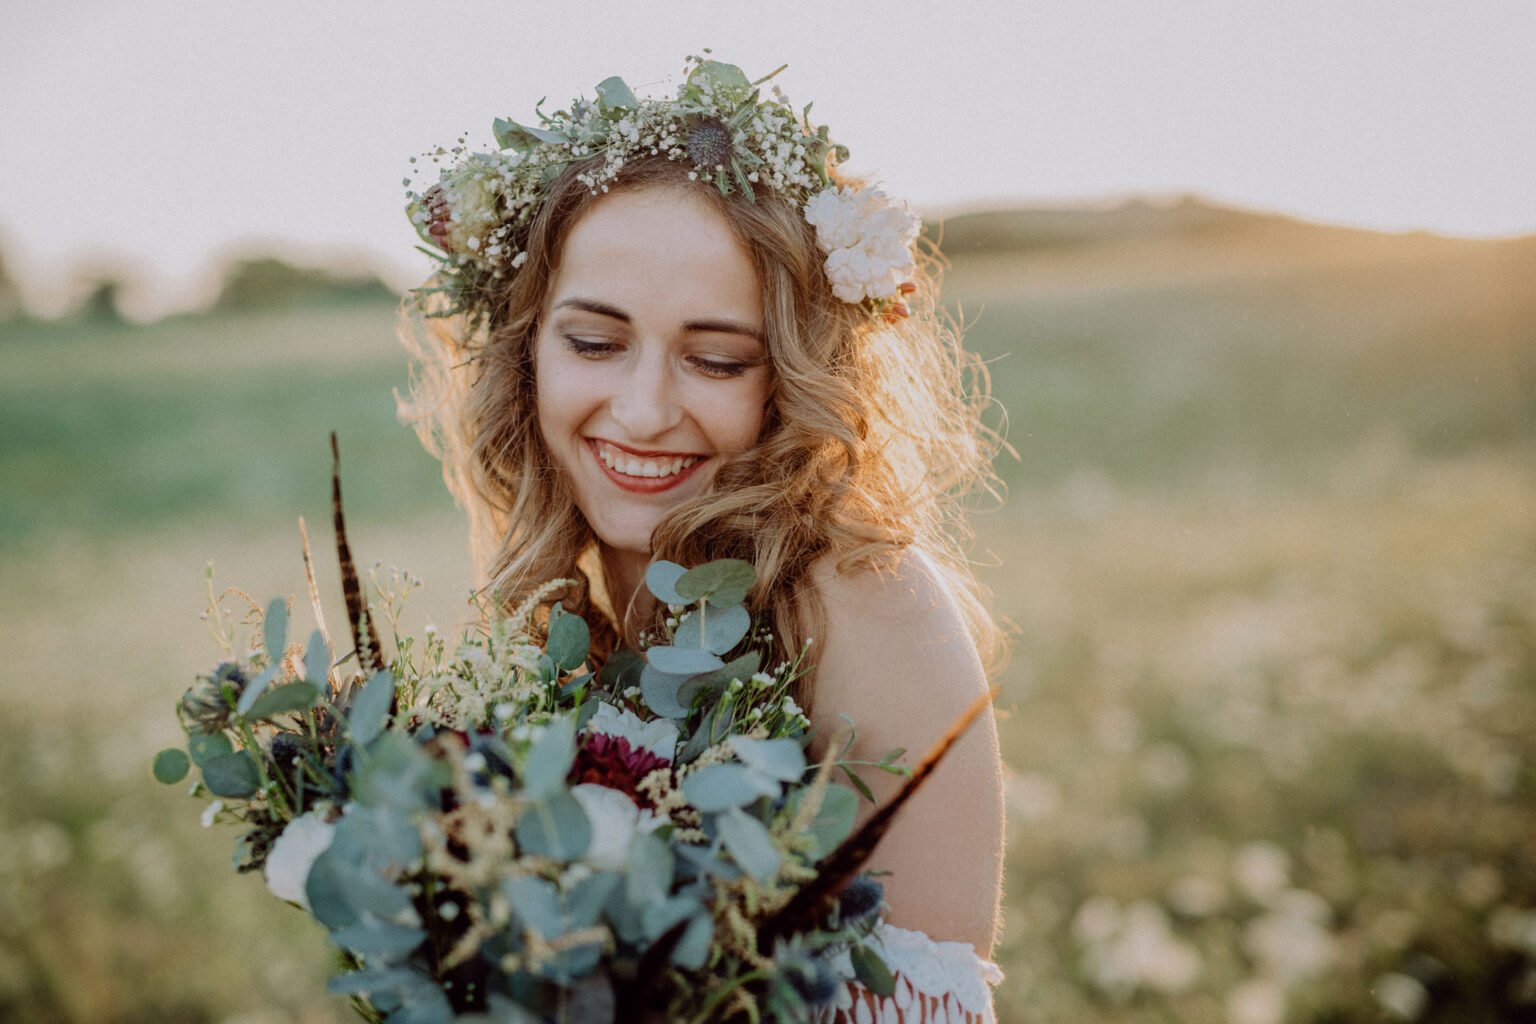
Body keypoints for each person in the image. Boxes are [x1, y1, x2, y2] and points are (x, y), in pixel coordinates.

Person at [399, 56, 1008, 1022]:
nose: (641, 412)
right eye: (594, 343)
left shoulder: (863, 601)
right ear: (526, 353)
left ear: (793, 377)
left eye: (716, 358)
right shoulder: (573, 605)